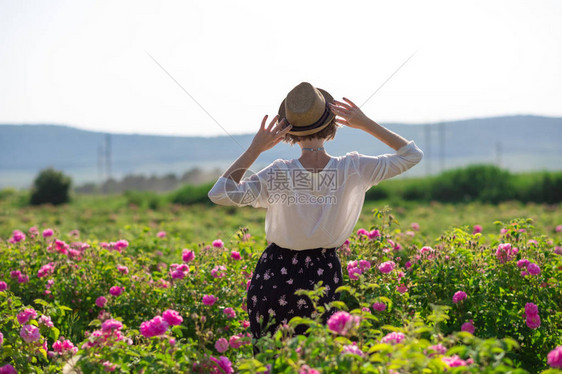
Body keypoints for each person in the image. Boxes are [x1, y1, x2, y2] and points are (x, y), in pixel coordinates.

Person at [208, 82, 423, 355]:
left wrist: (256, 148)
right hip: (324, 273)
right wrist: (365, 123)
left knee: (273, 362)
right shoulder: (353, 167)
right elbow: (412, 155)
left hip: (274, 276)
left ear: (290, 133)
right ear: (333, 124)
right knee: (323, 359)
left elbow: (220, 194)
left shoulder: (278, 173)